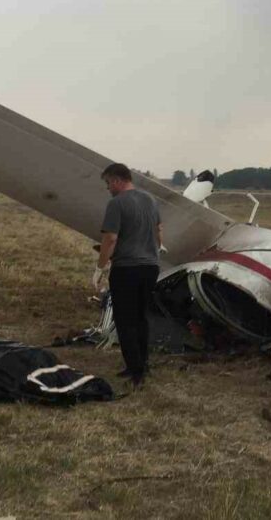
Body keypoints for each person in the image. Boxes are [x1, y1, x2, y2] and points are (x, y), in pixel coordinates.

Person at [95, 163, 162, 387]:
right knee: (141, 318)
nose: (108, 189)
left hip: (126, 268)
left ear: (116, 180)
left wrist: (100, 267)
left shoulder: (116, 203)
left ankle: (136, 373)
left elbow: (110, 239)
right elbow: (158, 232)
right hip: (151, 267)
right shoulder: (150, 200)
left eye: (107, 183)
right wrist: (154, 252)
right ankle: (142, 364)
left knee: (125, 320)